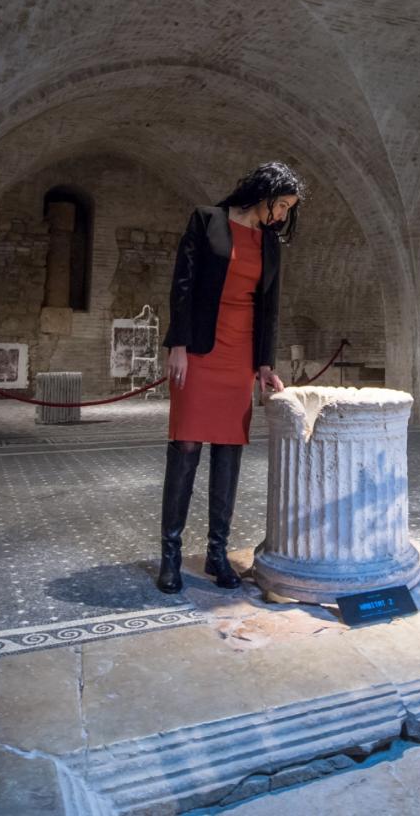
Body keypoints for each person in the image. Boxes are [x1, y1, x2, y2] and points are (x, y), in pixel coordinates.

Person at [156, 162, 304, 593]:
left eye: (288, 209)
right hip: (200, 349)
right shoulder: (207, 220)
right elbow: (182, 283)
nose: (281, 215)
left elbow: (269, 306)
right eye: (281, 205)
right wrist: (177, 344)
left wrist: (264, 364)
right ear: (263, 193)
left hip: (240, 353)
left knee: (229, 449)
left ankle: (218, 554)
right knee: (185, 445)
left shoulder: (270, 242)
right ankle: (171, 555)